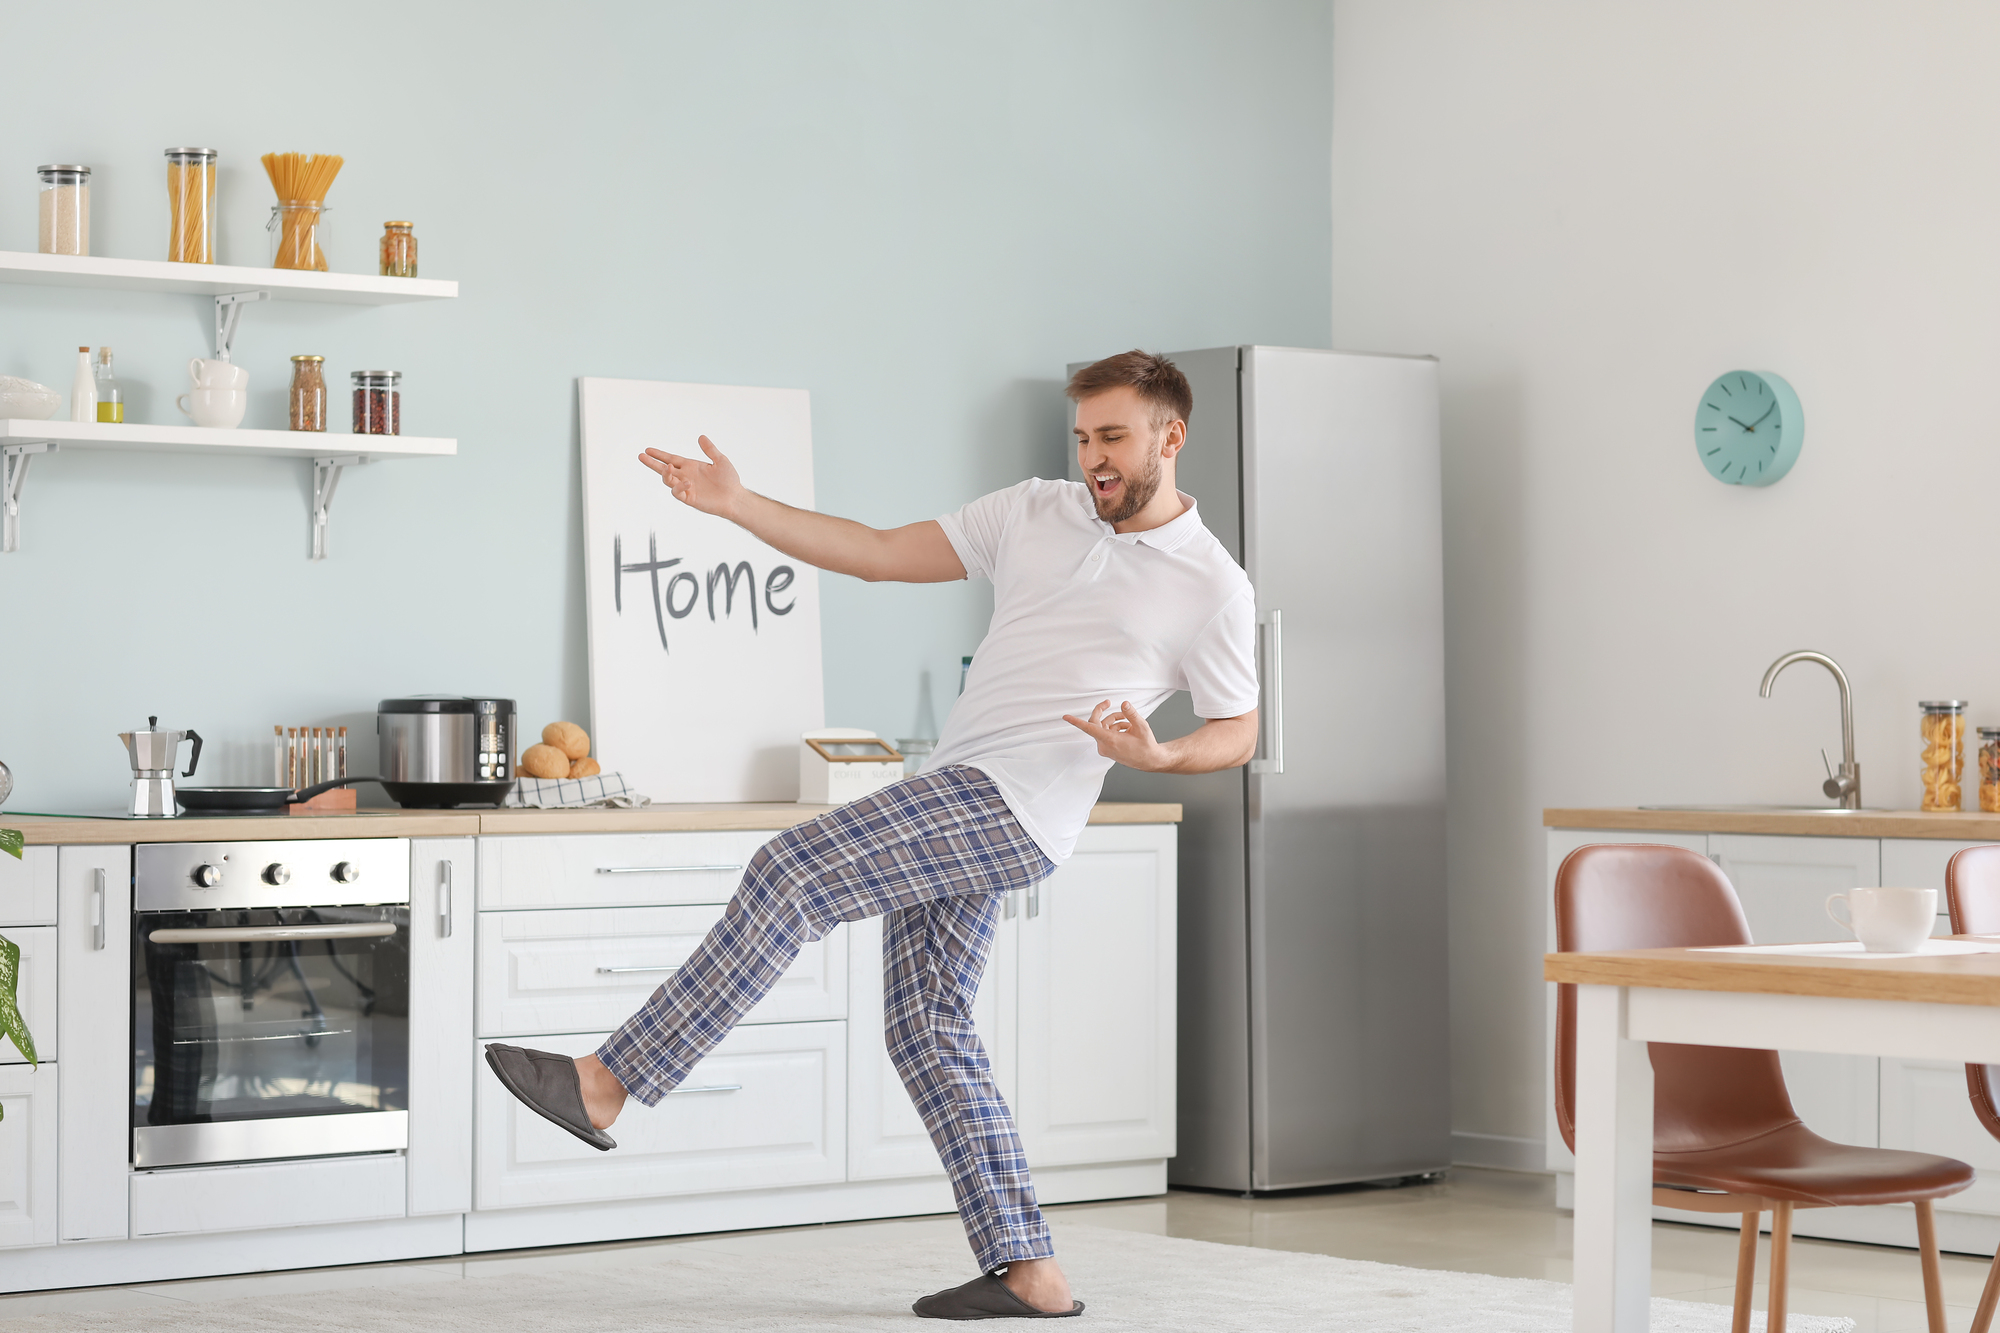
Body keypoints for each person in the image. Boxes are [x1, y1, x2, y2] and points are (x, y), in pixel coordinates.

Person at [484, 350, 1258, 1321]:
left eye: (1112, 438)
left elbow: (1237, 727)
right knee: (926, 1028)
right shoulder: (1033, 511)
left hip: (1018, 804)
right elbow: (881, 549)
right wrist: (739, 505)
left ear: (1168, 437)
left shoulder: (1209, 584)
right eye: (1083, 438)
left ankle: (610, 1080)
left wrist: (1156, 752)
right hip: (962, 787)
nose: (1093, 458)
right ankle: (1029, 1269)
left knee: (790, 868)